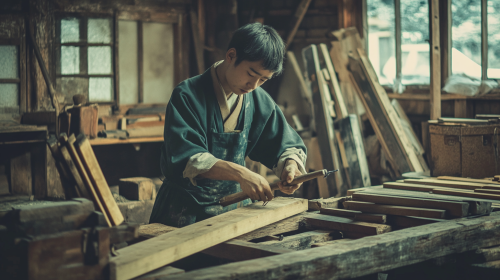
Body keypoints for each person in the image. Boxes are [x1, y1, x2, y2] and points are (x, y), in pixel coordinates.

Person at [149, 23, 307, 227]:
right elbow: (187, 156)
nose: (253, 86)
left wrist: (290, 168)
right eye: (251, 74)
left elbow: (284, 144)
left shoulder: (257, 99)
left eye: (263, 80)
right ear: (231, 55)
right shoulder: (187, 94)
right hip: (184, 210)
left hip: (234, 209)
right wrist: (241, 173)